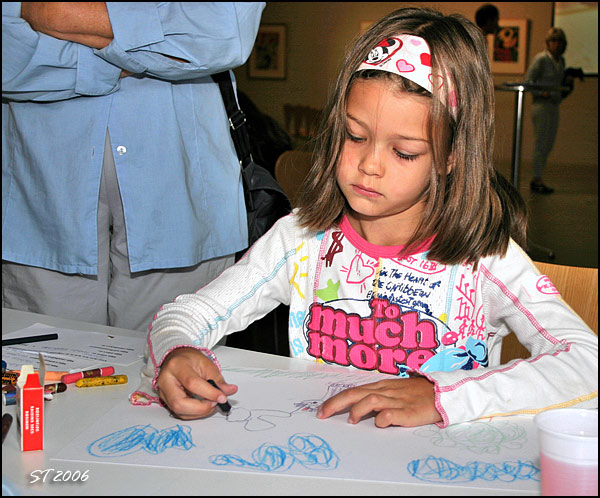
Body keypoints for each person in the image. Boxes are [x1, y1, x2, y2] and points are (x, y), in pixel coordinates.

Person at [137, 8, 598, 428]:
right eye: (355, 136)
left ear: (451, 156)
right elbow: (191, 313)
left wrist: (445, 397)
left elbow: (585, 363)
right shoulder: (301, 239)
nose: (369, 165)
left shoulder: (486, 261)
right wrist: (176, 351)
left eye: (404, 152)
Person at [2, 2, 265, 331]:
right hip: (39, 210)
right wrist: (142, 53)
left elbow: (224, 33)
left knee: (171, 370)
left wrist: (60, 15)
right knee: (46, 375)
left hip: (186, 210)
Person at [525, 27, 569, 194]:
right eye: (553, 41)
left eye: (559, 41)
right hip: (541, 105)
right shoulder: (541, 59)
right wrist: (542, 93)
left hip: (554, 105)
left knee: (549, 142)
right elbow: (529, 81)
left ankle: (539, 176)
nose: (556, 44)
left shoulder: (561, 61)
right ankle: (536, 178)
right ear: (548, 43)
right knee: (541, 142)